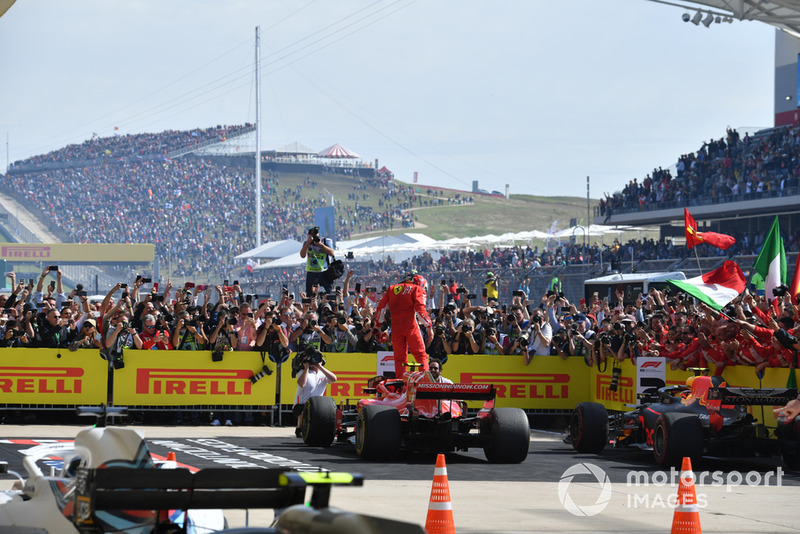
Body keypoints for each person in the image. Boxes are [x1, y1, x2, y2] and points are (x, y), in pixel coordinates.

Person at [374, 273, 433, 378]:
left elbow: (381, 308)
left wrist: (378, 324)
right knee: (421, 355)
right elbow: (421, 311)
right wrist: (429, 326)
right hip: (411, 327)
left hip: (396, 328)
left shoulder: (391, 289)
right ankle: (425, 381)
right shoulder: (417, 289)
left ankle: (401, 384)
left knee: (399, 359)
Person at [293, 351, 337, 437]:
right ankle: (299, 428)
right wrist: (306, 368)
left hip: (318, 406)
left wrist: (320, 367)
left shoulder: (323, 374)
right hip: (301, 405)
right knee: (304, 410)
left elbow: (334, 379)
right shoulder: (303, 372)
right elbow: (302, 384)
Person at [299, 225, 335, 295]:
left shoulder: (326, 241)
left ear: (319, 234)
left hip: (324, 271)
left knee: (328, 294)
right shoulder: (307, 243)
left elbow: (332, 253)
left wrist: (320, 245)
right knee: (310, 294)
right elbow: (302, 255)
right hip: (311, 271)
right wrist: (308, 243)